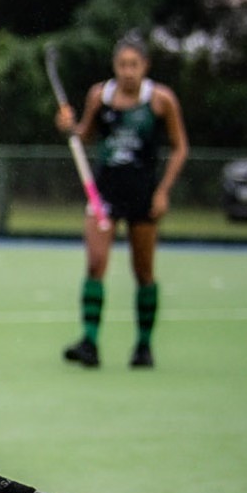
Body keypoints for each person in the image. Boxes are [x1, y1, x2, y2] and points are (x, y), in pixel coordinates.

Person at [54, 34, 188, 369]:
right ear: (114, 66)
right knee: (95, 264)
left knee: (143, 271)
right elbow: (84, 136)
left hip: (143, 195)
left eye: (134, 65)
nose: (128, 71)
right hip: (104, 194)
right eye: (122, 65)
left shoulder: (160, 100)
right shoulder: (100, 96)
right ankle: (89, 343)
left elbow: (180, 148)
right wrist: (68, 126)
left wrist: (163, 191)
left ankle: (143, 346)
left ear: (145, 66)